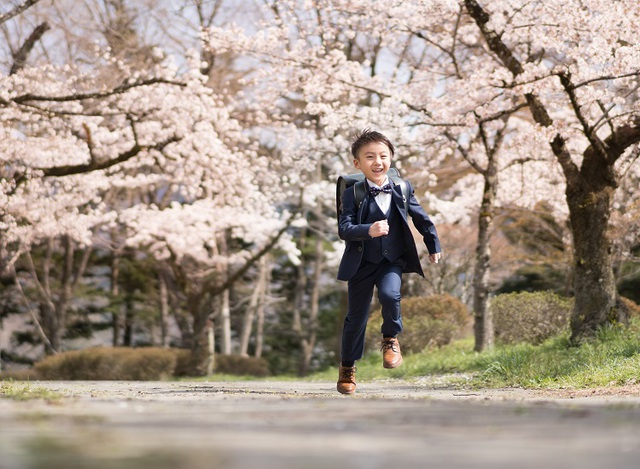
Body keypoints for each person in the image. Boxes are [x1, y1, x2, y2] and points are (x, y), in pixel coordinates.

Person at [336, 129, 441, 395]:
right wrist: (367, 230)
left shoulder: (402, 188)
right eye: (369, 157)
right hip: (361, 262)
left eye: (383, 155)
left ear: (391, 158)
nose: (377, 161)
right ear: (357, 163)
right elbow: (344, 228)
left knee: (390, 295)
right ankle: (348, 368)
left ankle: (390, 339)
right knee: (356, 317)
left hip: (391, 260)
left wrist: (433, 245)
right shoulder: (352, 193)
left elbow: (421, 218)